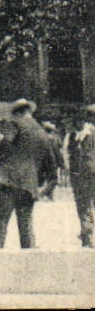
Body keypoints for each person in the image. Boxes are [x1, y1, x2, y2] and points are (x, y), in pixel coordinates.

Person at [0, 98, 57, 249]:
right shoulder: (44, 134)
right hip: (28, 186)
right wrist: (41, 191)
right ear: (30, 112)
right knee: (25, 226)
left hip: (6, 181)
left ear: (17, 113)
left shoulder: (14, 125)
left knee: (0, 224)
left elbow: (3, 150)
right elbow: (52, 170)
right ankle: (28, 263)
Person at [70, 104, 95, 249]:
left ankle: (87, 235)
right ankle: (87, 234)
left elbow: (73, 156)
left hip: (84, 175)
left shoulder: (80, 134)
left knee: (85, 206)